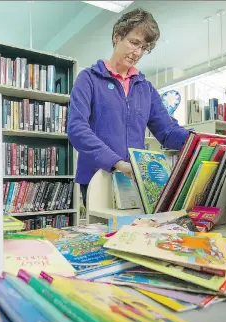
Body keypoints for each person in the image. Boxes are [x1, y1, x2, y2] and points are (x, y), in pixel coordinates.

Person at [67, 8, 190, 208]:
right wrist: (116, 162)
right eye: (134, 43)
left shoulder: (145, 88)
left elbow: (167, 131)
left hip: (135, 179)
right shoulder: (88, 78)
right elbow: (77, 129)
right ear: (117, 37)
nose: (138, 52)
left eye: (144, 47)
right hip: (98, 178)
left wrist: (197, 140)